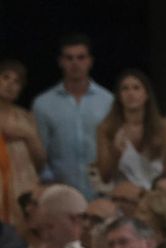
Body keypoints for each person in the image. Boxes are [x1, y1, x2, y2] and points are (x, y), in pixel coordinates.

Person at [31, 35, 113, 198]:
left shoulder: (108, 100)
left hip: (102, 193)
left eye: (81, 58)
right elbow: (38, 150)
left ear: (90, 61)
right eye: (69, 58)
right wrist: (49, 182)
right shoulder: (43, 104)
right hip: (60, 193)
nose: (75, 63)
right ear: (61, 62)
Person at [93, 70, 166, 190]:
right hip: (123, 195)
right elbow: (105, 177)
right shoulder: (107, 128)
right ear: (119, 96)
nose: (130, 93)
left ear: (146, 95)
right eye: (125, 89)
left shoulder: (164, 127)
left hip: (157, 195)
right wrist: (115, 153)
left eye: (136, 88)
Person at [0, 60, 44, 225]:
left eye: (17, 82)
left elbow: (40, 162)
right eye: (6, 78)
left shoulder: (25, 118)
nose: (10, 84)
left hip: (21, 191)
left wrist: (28, 135)